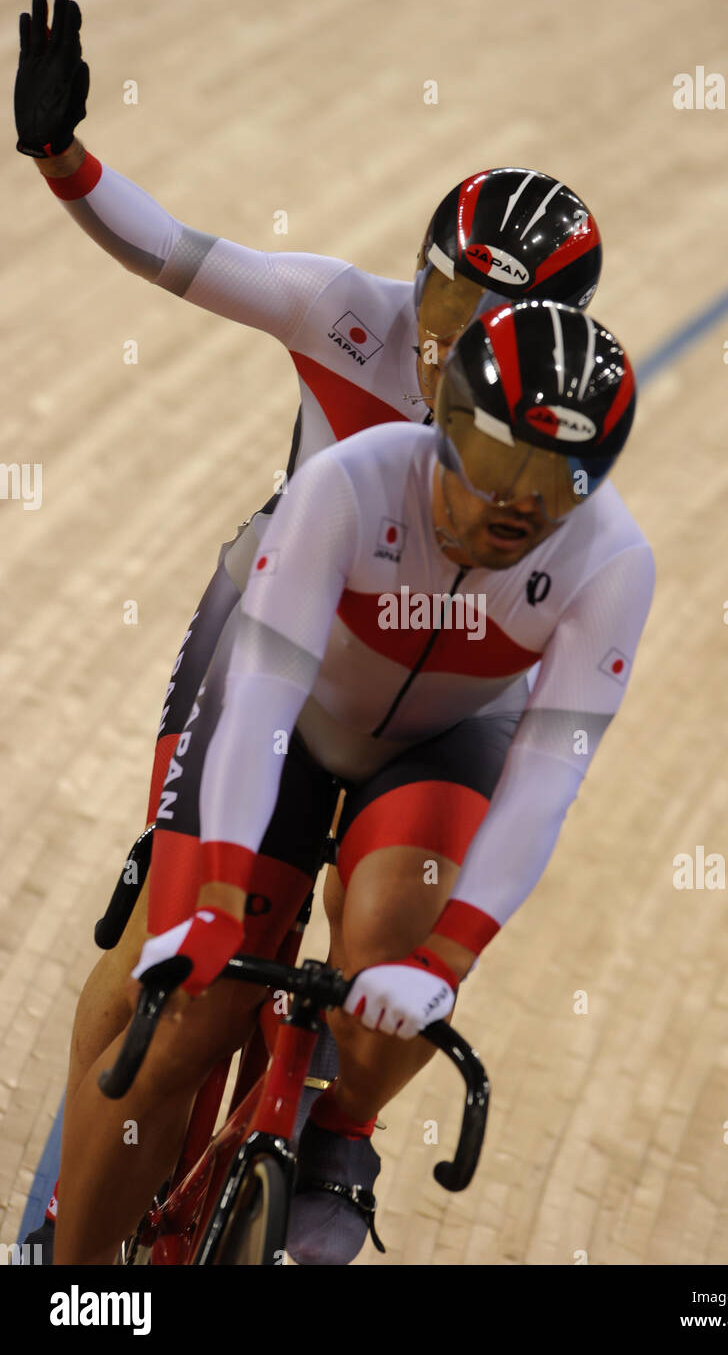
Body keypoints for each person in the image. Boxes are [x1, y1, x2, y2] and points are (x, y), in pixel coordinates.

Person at [15, 0, 606, 1259]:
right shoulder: (349, 316)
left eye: (481, 318)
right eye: (439, 293)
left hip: (436, 704)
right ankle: (59, 1261)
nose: (443, 333)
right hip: (282, 642)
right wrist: (67, 162)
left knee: (393, 953)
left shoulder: (549, 443)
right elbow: (175, 252)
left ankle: (339, 1136)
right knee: (182, 1001)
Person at [53, 298, 655, 1265]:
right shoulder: (347, 485)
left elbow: (544, 781)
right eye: (499, 469)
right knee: (179, 1028)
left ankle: (343, 1133)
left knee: (393, 938)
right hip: (295, 719)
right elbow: (254, 706)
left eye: (555, 490)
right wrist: (207, 903)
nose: (515, 510)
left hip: (444, 738)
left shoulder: (615, 562)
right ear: (447, 427)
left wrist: (440, 966)